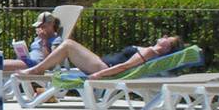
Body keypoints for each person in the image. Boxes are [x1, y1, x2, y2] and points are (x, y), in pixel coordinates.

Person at [19, 35, 184, 81]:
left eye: (167, 39)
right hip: (102, 64)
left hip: (104, 68)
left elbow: (125, 66)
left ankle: (37, 69)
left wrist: (100, 75)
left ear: (166, 48)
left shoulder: (149, 52)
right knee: (68, 46)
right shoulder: (148, 50)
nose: (163, 37)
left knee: (68, 44)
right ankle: (38, 69)